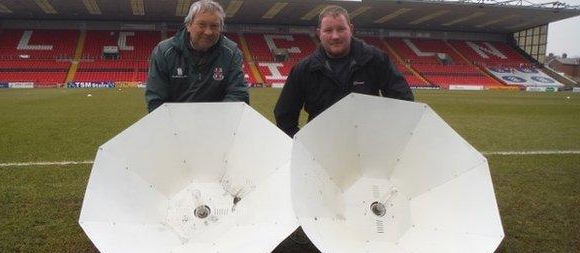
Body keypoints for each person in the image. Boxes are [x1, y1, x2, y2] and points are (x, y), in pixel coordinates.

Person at [274, 5, 414, 137]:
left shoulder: (376, 59)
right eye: (328, 30)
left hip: (368, 149)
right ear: (318, 33)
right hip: (322, 152)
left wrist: (386, 137)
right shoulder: (303, 69)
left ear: (351, 29)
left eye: (341, 29)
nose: (335, 36)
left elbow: (404, 101)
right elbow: (284, 115)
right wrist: (303, 146)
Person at [145, 0, 248, 112]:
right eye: (201, 25)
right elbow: (156, 100)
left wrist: (214, 121)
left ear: (221, 28)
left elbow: (238, 95)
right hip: (176, 125)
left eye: (214, 26)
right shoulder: (164, 52)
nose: (208, 32)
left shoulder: (231, 53)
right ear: (188, 25)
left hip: (218, 124)